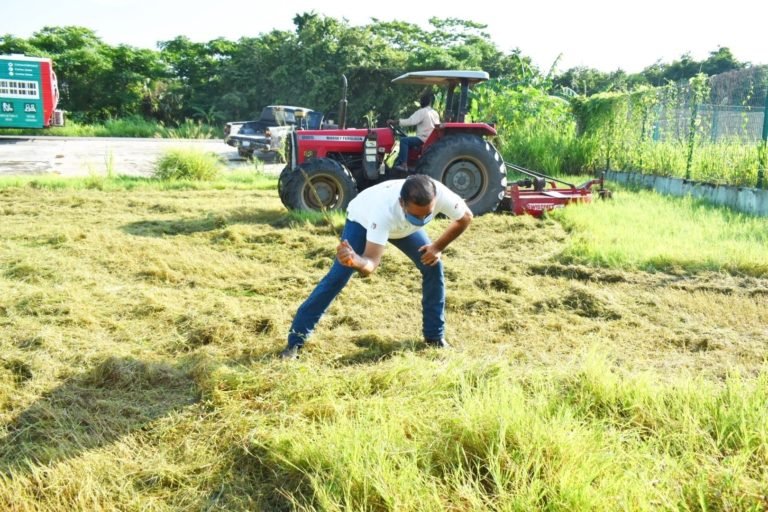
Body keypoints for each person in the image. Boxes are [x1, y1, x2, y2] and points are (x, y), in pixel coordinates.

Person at [280, 175, 473, 359]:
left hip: (403, 228)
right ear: (402, 203)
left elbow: (465, 217)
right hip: (362, 220)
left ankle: (434, 337)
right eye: (416, 215)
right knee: (338, 276)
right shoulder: (382, 212)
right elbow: (371, 264)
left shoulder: (439, 194)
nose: (422, 221)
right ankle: (295, 341)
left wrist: (437, 247)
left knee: (433, 265)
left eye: (427, 215)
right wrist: (355, 260)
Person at [388, 92, 440, 172]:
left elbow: (410, 121)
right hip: (431, 139)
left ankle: (403, 165)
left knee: (404, 141)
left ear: (422, 102)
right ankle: (408, 162)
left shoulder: (422, 111)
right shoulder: (434, 113)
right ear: (430, 102)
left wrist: (395, 122)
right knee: (407, 138)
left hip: (423, 138)